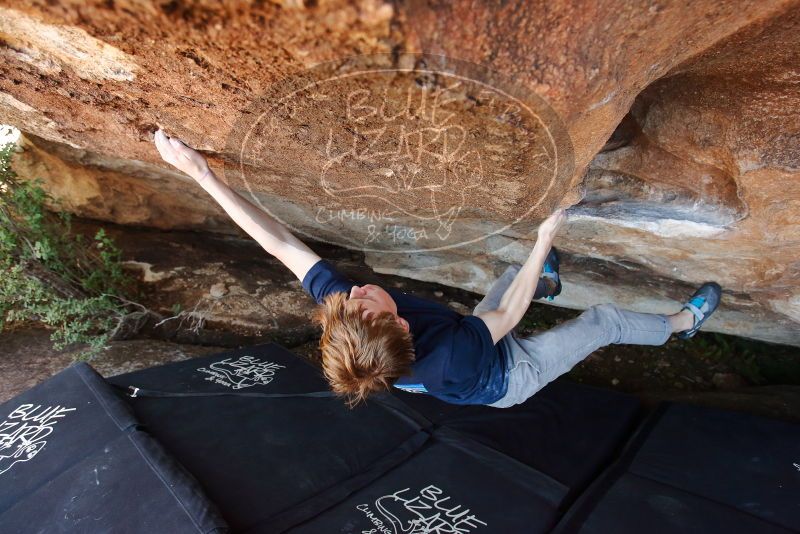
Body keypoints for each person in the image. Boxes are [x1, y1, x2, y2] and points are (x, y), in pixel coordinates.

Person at [154, 129, 722, 408]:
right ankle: (680, 326)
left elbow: (279, 244)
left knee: (523, 278)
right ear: (400, 327)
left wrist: (203, 176)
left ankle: (546, 278)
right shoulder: (452, 354)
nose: (357, 289)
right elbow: (503, 315)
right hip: (504, 376)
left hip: (458, 348)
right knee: (598, 320)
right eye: (367, 299)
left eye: (352, 301)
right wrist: (545, 236)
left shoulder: (351, 317)